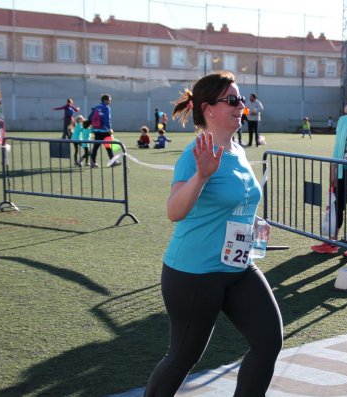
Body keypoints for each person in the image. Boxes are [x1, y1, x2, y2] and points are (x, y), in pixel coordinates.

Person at [144, 71, 283, 397]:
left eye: (240, 100)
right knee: (183, 357)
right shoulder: (196, 155)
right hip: (194, 273)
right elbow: (174, 211)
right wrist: (202, 176)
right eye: (232, 100)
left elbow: (236, 200)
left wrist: (254, 222)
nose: (241, 106)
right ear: (208, 108)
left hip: (237, 267)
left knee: (268, 342)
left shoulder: (235, 148)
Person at [311, 85, 347, 257]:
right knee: (337, 205)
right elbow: (338, 148)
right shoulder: (344, 120)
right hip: (343, 169)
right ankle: (331, 242)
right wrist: (333, 171)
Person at [88, 94, 120, 168]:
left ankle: (93, 162)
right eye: (109, 99)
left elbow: (90, 117)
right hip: (104, 131)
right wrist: (109, 129)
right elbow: (107, 120)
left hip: (96, 130)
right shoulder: (106, 108)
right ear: (105, 100)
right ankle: (112, 161)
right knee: (108, 146)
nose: (110, 101)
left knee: (96, 146)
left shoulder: (96, 107)